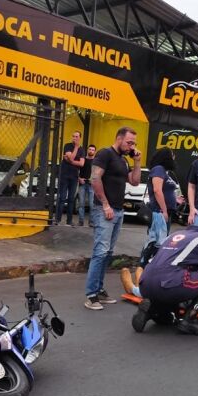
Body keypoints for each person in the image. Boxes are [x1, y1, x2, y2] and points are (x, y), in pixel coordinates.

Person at [131, 215, 198, 335]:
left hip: (145, 282)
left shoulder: (176, 234)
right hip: (169, 283)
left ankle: (152, 309)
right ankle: (189, 319)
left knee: (169, 318)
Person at [84, 127, 142, 310]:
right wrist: (105, 204)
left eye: (134, 143)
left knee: (108, 253)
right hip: (104, 209)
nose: (131, 146)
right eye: (129, 142)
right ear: (119, 139)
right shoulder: (105, 154)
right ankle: (91, 295)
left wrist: (137, 161)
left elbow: (134, 181)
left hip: (118, 210)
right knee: (100, 252)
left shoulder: (124, 160)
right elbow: (95, 179)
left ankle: (99, 290)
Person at [138, 147, 180, 267]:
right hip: (158, 212)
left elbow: (164, 190)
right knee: (155, 243)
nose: (174, 158)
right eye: (172, 155)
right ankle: (144, 268)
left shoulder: (164, 172)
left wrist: (176, 199)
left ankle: (150, 269)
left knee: (159, 242)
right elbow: (157, 190)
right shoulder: (158, 170)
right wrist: (164, 210)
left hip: (163, 212)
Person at [55, 131, 85, 226]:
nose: (74, 138)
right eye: (73, 136)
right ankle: (58, 220)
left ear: (80, 138)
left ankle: (69, 221)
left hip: (74, 177)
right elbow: (72, 158)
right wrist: (75, 148)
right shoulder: (67, 145)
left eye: (76, 136)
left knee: (71, 199)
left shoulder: (82, 150)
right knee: (62, 198)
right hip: (64, 176)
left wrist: (70, 161)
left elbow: (81, 164)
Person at [78, 144, 96, 227]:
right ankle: (81, 221)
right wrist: (79, 178)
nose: (91, 151)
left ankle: (91, 222)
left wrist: (94, 180)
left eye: (93, 150)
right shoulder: (82, 160)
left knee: (92, 205)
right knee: (81, 204)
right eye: (90, 149)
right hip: (82, 183)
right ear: (87, 150)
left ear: (94, 152)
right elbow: (76, 170)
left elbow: (98, 173)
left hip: (91, 185)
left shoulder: (96, 161)